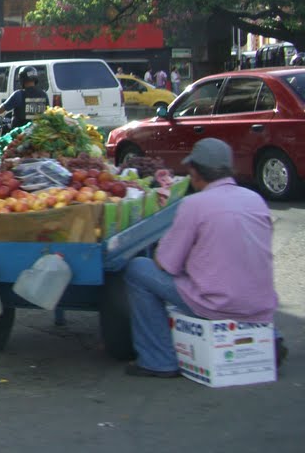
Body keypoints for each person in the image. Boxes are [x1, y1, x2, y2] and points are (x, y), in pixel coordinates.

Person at [122, 138, 285, 378]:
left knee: (138, 269)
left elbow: (166, 264)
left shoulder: (194, 204)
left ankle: (158, 359)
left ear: (195, 172)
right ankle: (268, 337)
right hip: (259, 303)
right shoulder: (255, 199)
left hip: (216, 303)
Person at [0, 66, 49, 132]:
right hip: (38, 132)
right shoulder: (44, 95)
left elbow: (3, 107)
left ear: (22, 79)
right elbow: (47, 112)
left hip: (20, 134)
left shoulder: (18, 94)